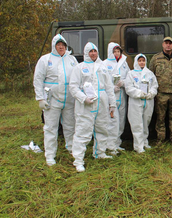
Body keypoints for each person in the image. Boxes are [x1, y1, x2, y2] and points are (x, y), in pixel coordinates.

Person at [69, 42, 117, 172]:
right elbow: (73, 87)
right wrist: (83, 98)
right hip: (86, 104)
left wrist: (112, 104)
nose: (93, 54)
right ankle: (78, 160)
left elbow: (109, 86)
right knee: (83, 130)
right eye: (90, 51)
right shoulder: (80, 68)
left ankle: (99, 153)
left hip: (101, 101)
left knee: (102, 127)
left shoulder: (103, 67)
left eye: (95, 51)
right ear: (86, 53)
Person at [33, 34, 78, 166]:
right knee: (51, 128)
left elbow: (78, 76)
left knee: (70, 126)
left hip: (69, 99)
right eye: (58, 45)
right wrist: (40, 98)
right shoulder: (45, 59)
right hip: (52, 100)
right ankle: (50, 155)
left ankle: (71, 149)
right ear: (54, 46)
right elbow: (38, 79)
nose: (61, 47)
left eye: (63, 45)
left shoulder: (71, 59)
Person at [149, 37, 172, 146]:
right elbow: (151, 76)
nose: (168, 45)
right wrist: (152, 92)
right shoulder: (156, 59)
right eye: (166, 43)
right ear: (162, 44)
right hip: (161, 94)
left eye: (170, 43)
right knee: (160, 118)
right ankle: (160, 139)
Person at [125, 54, 158, 153]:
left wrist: (151, 93)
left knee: (146, 123)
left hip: (148, 102)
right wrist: (139, 93)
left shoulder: (150, 73)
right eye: (139, 61)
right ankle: (138, 146)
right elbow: (128, 88)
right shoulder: (131, 74)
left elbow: (154, 85)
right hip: (136, 102)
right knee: (137, 124)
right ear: (136, 62)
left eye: (143, 61)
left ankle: (144, 142)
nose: (142, 63)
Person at [103, 42, 130, 155]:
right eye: (114, 51)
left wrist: (123, 83)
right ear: (110, 52)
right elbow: (102, 80)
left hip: (122, 95)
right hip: (111, 96)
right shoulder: (105, 64)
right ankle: (110, 145)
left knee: (121, 120)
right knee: (112, 121)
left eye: (118, 51)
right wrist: (111, 87)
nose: (116, 53)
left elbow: (129, 76)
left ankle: (117, 143)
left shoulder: (124, 63)